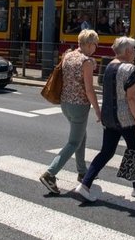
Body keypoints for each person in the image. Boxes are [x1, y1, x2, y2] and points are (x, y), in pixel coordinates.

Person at [73, 36, 135, 201]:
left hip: (109, 117)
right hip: (127, 120)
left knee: (106, 152)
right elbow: (131, 98)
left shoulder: (109, 66)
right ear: (128, 51)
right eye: (133, 49)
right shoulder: (131, 69)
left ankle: (85, 185)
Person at [39, 30, 102, 194]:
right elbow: (89, 89)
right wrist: (97, 110)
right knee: (74, 142)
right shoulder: (86, 61)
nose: (96, 47)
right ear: (89, 44)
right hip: (79, 106)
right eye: (96, 44)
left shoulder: (68, 56)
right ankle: (50, 174)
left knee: (81, 136)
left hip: (65, 103)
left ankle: (83, 172)